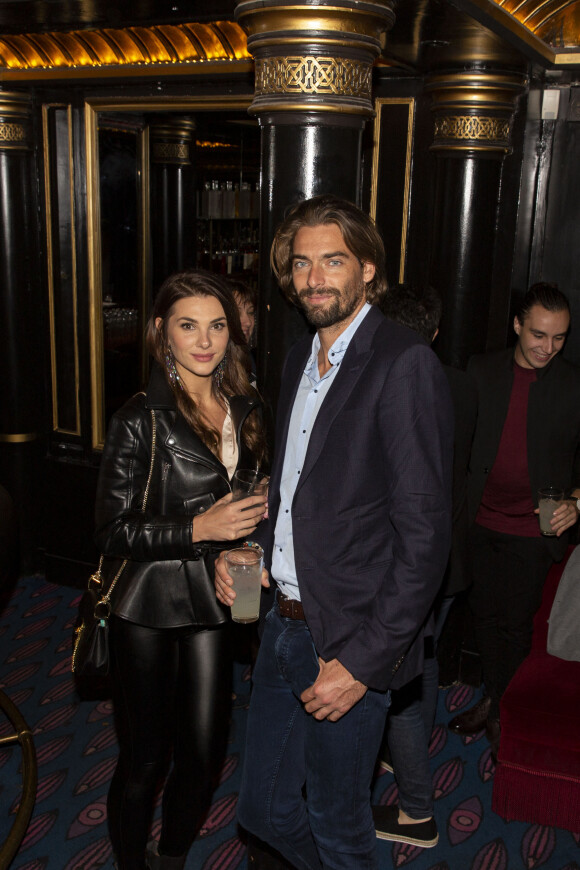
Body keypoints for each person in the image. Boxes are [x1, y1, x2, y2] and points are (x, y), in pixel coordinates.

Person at [215, 194, 454, 870]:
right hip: (282, 627)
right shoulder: (296, 358)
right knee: (262, 812)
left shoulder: (403, 364)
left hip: (350, 639)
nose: (314, 277)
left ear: (368, 269)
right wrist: (253, 550)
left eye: (332, 261)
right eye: (301, 263)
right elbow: (294, 490)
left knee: (338, 820)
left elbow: (424, 539)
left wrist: (366, 664)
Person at [94, 269, 268, 870]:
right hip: (148, 602)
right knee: (146, 756)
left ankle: (170, 854)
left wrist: (254, 532)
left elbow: (248, 500)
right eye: (188, 326)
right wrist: (199, 528)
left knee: (204, 751)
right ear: (161, 334)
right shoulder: (139, 418)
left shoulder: (245, 406)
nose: (204, 340)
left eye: (217, 326)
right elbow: (112, 530)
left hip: (220, 596)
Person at [448, 283, 580, 759]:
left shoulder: (572, 384)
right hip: (479, 523)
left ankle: (505, 710)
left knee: (515, 625)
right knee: (483, 617)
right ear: (518, 325)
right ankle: (493, 696)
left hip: (532, 530)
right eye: (540, 335)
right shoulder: (481, 371)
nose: (549, 347)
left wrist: (578, 501)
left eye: (560, 338)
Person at [372, 284, 476, 848]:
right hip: (450, 560)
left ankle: (417, 809)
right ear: (434, 332)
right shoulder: (463, 383)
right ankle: (404, 754)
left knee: (398, 687)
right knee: (425, 660)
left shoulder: (387, 382)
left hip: (405, 566)